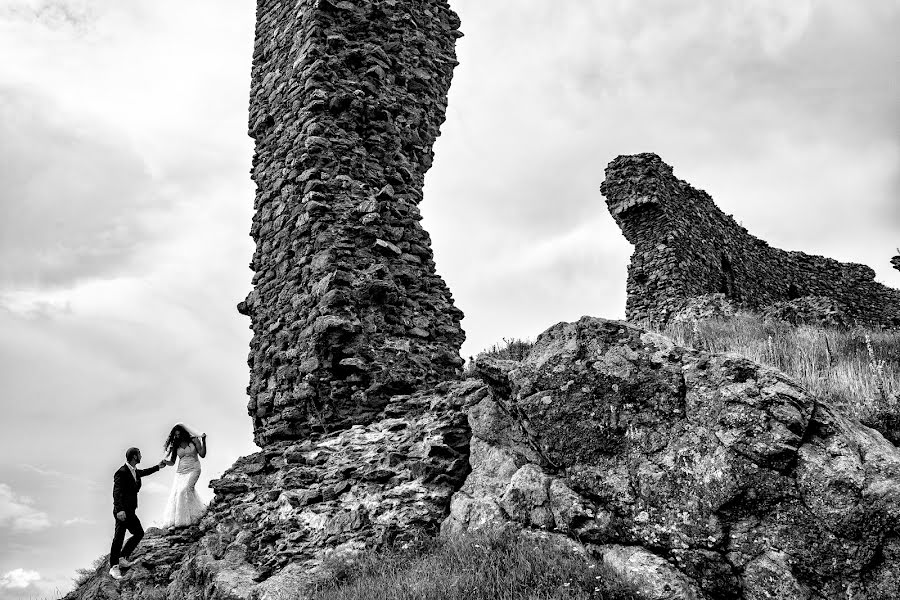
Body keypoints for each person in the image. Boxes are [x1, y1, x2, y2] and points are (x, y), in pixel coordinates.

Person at [110, 448, 167, 580]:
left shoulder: (134, 471)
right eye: (140, 454)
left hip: (130, 511)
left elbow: (145, 472)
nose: (141, 456)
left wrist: (158, 466)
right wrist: (119, 510)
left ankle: (122, 558)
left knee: (139, 533)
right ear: (135, 456)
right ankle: (114, 567)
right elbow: (116, 492)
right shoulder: (121, 472)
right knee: (118, 537)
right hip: (122, 511)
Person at [160, 423, 208, 529]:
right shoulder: (175, 445)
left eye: (179, 434)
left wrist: (204, 441)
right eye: (175, 435)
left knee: (185, 490)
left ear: (184, 433)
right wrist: (165, 462)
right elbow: (172, 462)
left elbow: (202, 454)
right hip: (180, 472)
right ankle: (185, 519)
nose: (177, 437)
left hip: (194, 468)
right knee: (177, 494)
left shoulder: (194, 440)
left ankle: (193, 517)